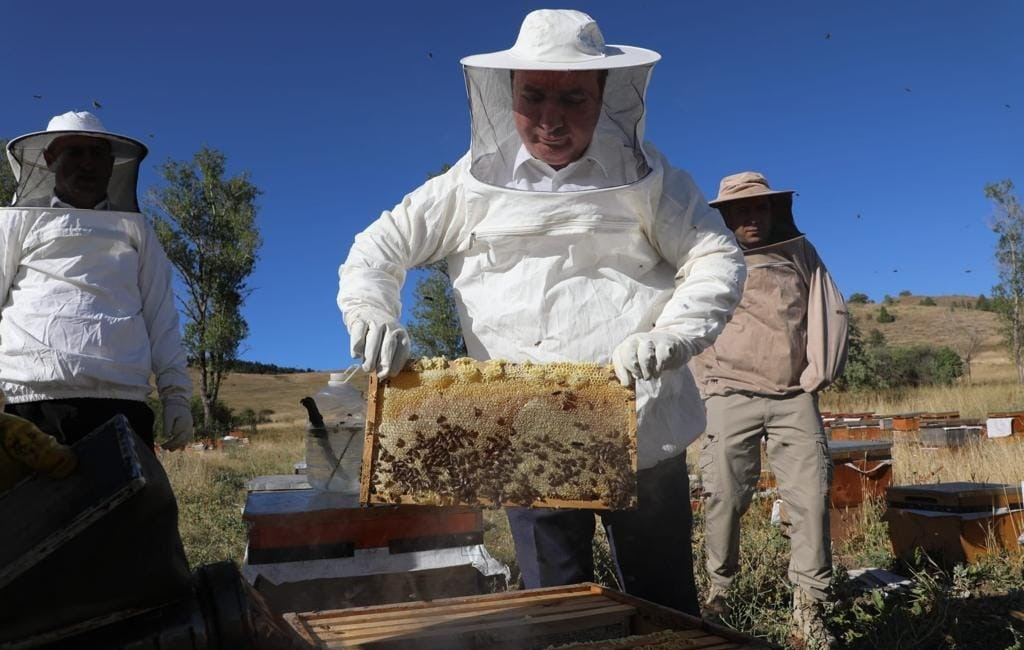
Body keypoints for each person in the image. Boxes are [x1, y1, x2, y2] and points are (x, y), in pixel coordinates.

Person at [338, 9, 745, 615]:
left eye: (573, 98)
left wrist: (675, 335)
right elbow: (378, 249)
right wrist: (371, 312)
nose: (550, 119)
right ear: (508, 95)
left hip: (644, 423)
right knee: (557, 608)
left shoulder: (652, 180)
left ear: (604, 96)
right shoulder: (465, 186)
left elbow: (716, 256)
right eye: (533, 97)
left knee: (664, 609)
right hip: (526, 431)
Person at [691, 171, 848, 647]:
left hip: (792, 397)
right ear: (726, 216)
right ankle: (718, 593)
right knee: (723, 497)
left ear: (774, 210)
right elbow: (683, 314)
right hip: (727, 395)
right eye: (741, 210)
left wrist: (817, 373)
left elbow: (830, 308)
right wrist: (704, 382)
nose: (752, 217)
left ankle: (810, 607)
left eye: (760, 208)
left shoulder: (800, 253)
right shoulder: (705, 257)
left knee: (809, 499)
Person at [0, 111, 193, 451]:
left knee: (132, 505)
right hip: (33, 402)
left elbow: (161, 316)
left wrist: (176, 396)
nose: (87, 163)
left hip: (123, 401)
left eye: (97, 153)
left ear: (111, 162)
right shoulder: (15, 223)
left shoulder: (137, 231)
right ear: (49, 159)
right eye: (74, 152)